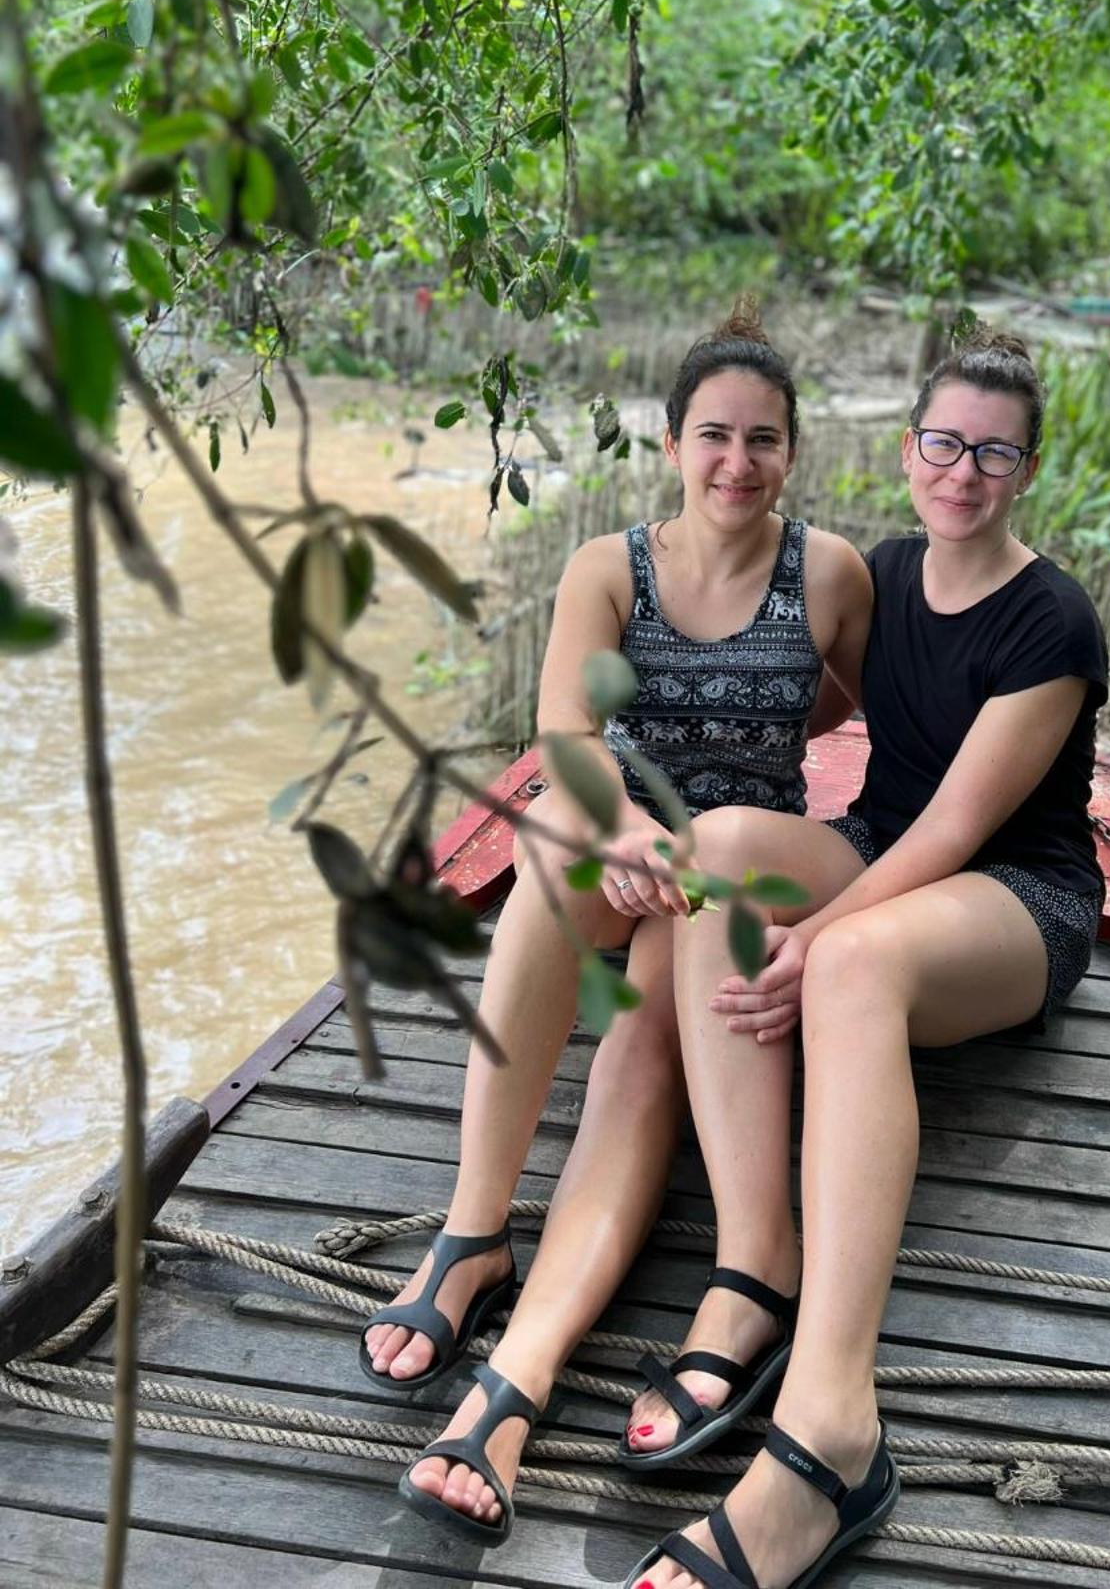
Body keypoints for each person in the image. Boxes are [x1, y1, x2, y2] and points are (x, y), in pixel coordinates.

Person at [364, 301, 872, 1546]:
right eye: (713, 435)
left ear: (793, 450)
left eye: (763, 439)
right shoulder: (609, 568)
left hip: (734, 890)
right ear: (670, 439)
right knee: (546, 855)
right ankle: (474, 1230)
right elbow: (565, 741)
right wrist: (632, 834)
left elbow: (868, 712)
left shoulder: (831, 573)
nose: (736, 464)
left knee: (636, 1057)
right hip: (625, 852)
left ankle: (508, 1391)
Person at [621, 329, 1109, 1589]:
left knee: (841, 969)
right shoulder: (888, 573)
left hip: (1014, 895)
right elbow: (830, 700)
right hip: (879, 845)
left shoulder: (1052, 619)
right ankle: (749, 1263)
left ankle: (833, 1420)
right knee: (717, 846)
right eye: (944, 443)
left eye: (995, 452)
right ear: (908, 452)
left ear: (1026, 471)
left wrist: (816, 935)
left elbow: (958, 827)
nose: (964, 471)